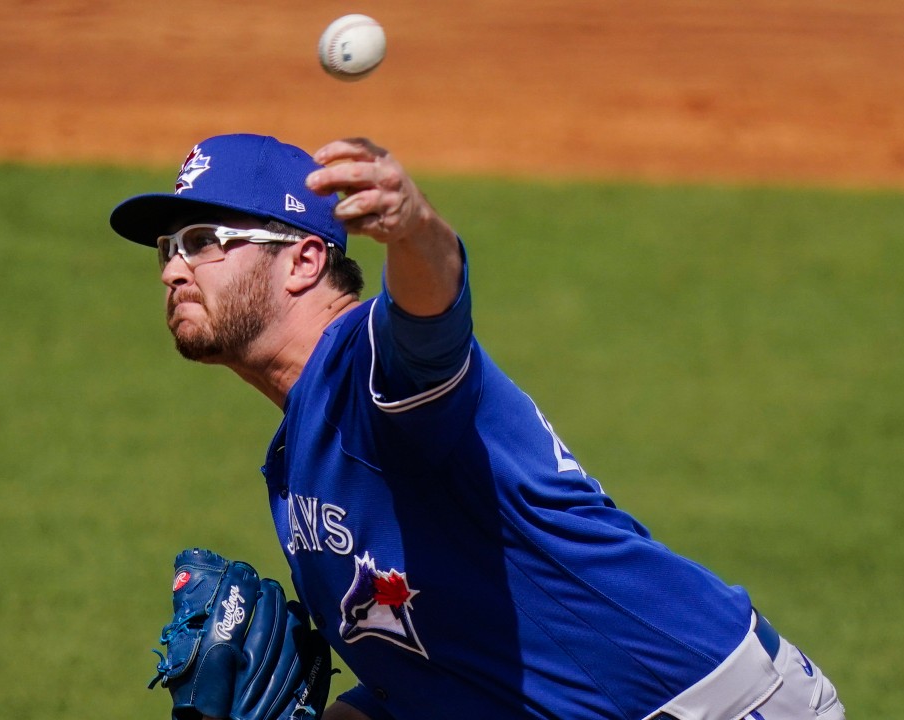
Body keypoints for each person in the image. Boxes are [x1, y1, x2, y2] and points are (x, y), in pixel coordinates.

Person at [109, 133, 845, 720]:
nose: (174, 270)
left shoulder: (372, 365)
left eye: (203, 239)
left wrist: (415, 228)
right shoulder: (296, 458)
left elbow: (432, 318)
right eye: (168, 249)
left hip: (706, 705)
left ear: (304, 259)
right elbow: (432, 678)